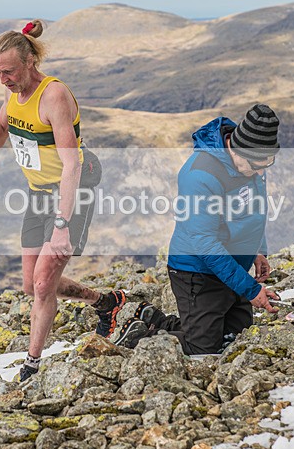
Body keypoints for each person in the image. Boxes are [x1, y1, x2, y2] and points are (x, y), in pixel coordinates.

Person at [0, 20, 125, 380]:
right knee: (30, 284)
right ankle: (106, 303)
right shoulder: (13, 92)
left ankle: (31, 366)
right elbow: (2, 125)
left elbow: (71, 165)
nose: (3, 79)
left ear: (30, 63)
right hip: (39, 192)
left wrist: (62, 225)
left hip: (72, 188)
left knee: (42, 284)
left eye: (8, 71)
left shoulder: (53, 96)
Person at [115, 104, 282, 353]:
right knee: (203, 349)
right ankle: (142, 335)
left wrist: (258, 250)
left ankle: (157, 319)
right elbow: (205, 243)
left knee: (236, 337)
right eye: (257, 164)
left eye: (267, 164)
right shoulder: (200, 175)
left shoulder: (252, 163)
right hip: (197, 271)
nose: (260, 171)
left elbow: (254, 210)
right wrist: (250, 289)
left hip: (232, 266)